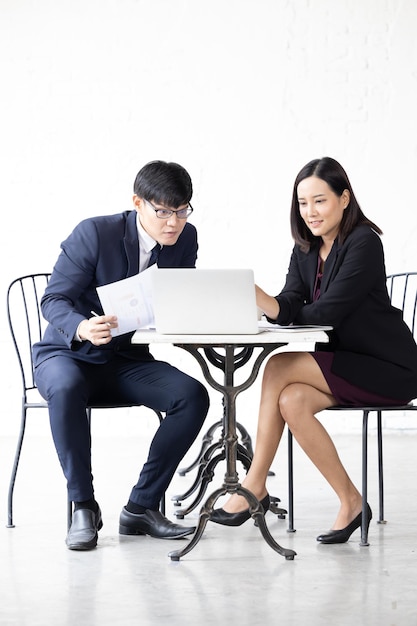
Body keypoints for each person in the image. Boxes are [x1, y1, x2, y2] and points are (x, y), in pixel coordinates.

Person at [211, 156, 417, 543]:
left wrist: (275, 308)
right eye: (303, 203)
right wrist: (266, 300)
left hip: (388, 367)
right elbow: (291, 298)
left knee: (277, 367)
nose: (310, 212)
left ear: (344, 198)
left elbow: (330, 311)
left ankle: (254, 483)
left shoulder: (364, 243)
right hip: (346, 363)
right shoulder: (305, 248)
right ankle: (352, 502)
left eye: (319, 200)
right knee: (292, 400)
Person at [33, 160, 210, 551]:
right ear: (137, 203)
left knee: (192, 396)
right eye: (163, 211)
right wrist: (81, 327)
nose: (173, 222)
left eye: (182, 211)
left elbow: (179, 299)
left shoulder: (186, 238)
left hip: (125, 361)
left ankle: (141, 508)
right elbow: (54, 298)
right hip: (68, 354)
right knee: (65, 388)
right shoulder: (95, 233)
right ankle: (83, 506)